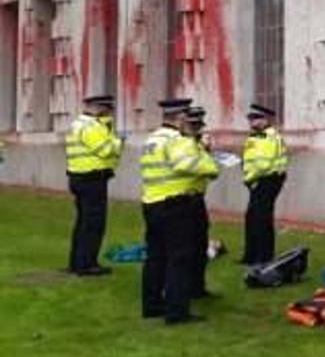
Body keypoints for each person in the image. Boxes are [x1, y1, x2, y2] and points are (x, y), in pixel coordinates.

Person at [140, 98, 219, 324]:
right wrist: (209, 160)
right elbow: (188, 165)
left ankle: (152, 305)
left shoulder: (153, 138)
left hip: (153, 202)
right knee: (180, 258)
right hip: (177, 205)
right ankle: (177, 311)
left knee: (156, 257)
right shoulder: (178, 140)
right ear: (181, 117)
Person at [65, 94, 122, 276]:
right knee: (93, 223)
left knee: (83, 222)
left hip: (79, 176)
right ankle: (87, 264)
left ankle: (77, 262)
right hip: (92, 178)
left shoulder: (78, 124)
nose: (110, 112)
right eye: (108, 108)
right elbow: (105, 150)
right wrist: (118, 141)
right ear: (100, 108)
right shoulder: (92, 127)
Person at [241, 103, 288, 265]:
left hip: (267, 180)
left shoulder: (268, 137)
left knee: (262, 219)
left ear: (266, 119)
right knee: (252, 217)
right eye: (250, 118)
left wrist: (249, 179)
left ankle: (263, 257)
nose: (252, 122)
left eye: (255, 118)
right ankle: (251, 255)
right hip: (257, 180)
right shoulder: (255, 136)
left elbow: (264, 165)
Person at [184, 106, 216, 298]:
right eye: (193, 125)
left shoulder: (197, 143)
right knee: (185, 247)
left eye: (199, 125)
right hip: (182, 200)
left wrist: (206, 150)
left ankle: (197, 286)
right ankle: (184, 288)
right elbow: (207, 169)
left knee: (200, 244)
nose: (197, 129)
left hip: (197, 197)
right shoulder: (182, 144)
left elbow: (209, 172)